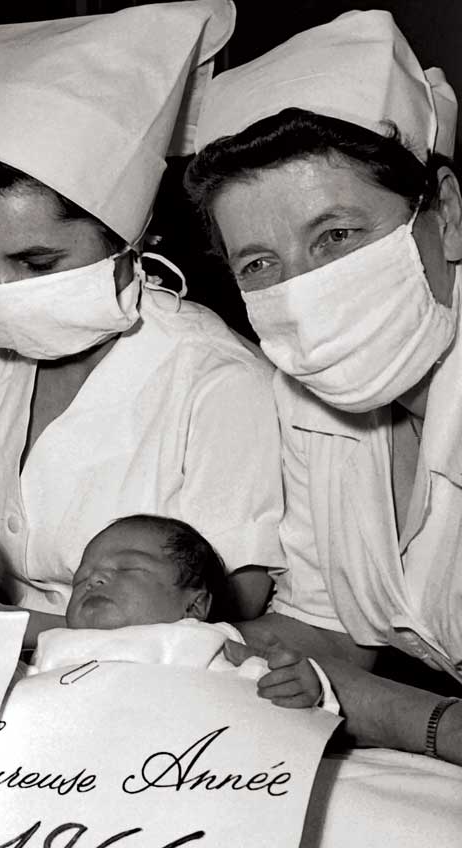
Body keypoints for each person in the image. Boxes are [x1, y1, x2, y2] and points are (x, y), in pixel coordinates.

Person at [0, 0, 283, 635]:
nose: (5, 293)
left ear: (134, 234)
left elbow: (236, 596)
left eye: (37, 263)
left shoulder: (215, 379)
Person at [186, 9, 462, 762]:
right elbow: (324, 632)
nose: (304, 292)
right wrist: (157, 647)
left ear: (446, 215)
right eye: (259, 264)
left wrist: (418, 720)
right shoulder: (306, 398)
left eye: (336, 235)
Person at [49, 514, 331, 710]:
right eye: (81, 578)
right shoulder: (55, 645)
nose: (94, 579)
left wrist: (303, 686)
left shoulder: (208, 642)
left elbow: (271, 692)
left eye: (128, 569)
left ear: (193, 607)